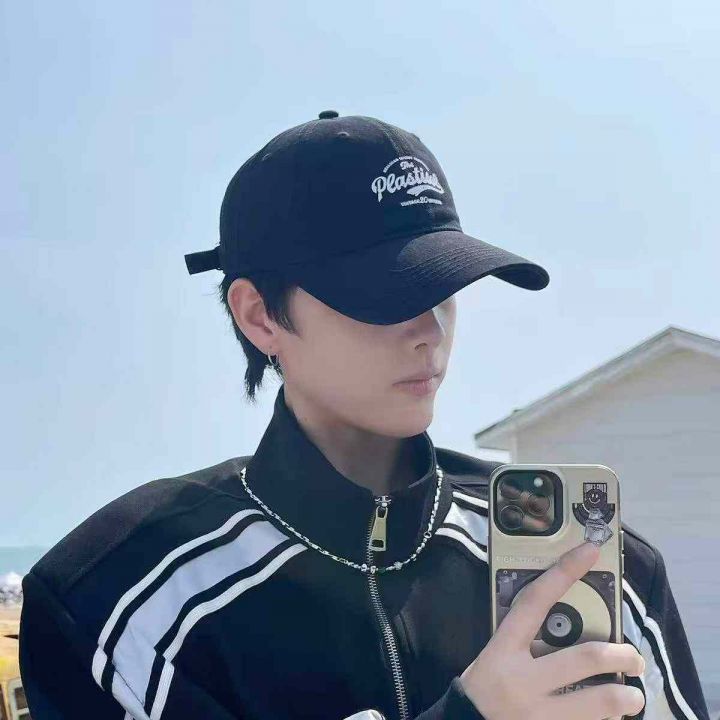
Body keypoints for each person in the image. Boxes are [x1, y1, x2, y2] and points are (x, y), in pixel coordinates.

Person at [18, 111, 710, 720]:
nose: (430, 331)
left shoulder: (602, 570)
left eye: (445, 288)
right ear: (260, 316)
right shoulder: (112, 600)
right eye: (384, 295)